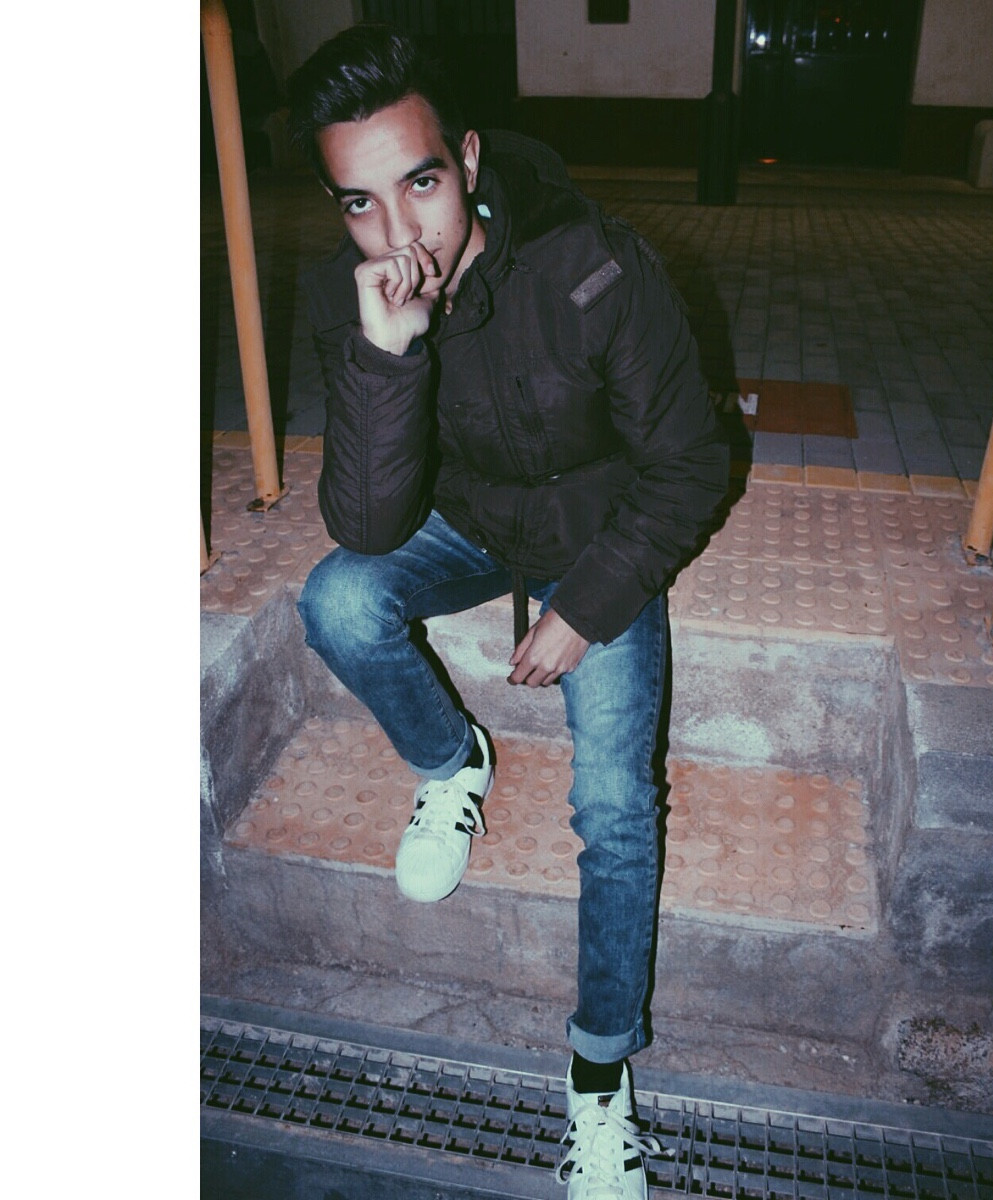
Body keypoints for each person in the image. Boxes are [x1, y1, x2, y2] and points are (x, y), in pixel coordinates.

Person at [287, 25, 728, 1198]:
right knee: (336, 600)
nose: (399, 233)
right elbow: (369, 527)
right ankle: (454, 761)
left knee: (613, 803)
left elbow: (690, 465)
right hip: (474, 524)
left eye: (421, 185)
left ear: (470, 161)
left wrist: (587, 605)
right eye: (362, 203)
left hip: (597, 535)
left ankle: (599, 1082)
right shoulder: (359, 298)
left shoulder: (595, 268)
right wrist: (388, 358)